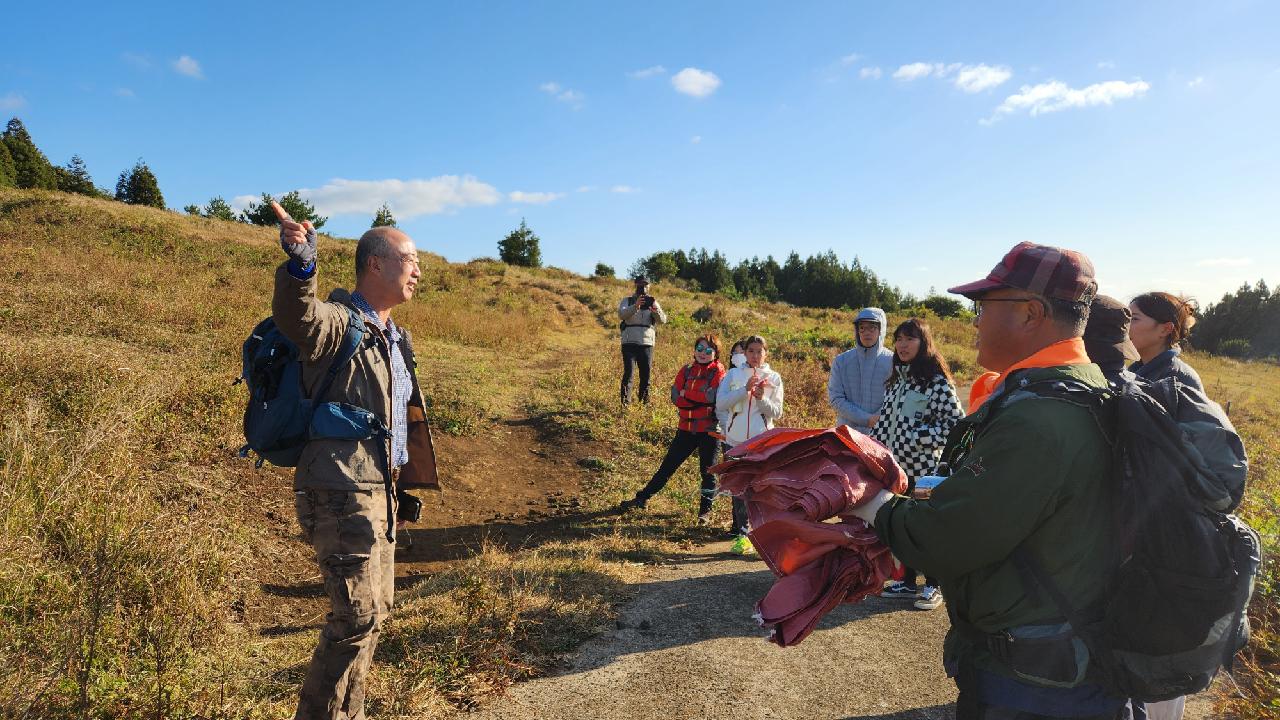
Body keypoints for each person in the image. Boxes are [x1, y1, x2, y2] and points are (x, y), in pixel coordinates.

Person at [851, 241, 1124, 719]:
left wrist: (868, 503)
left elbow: (947, 539)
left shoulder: (1039, 417)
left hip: (1034, 681)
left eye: (983, 306)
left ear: (1031, 313)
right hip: (1061, 655)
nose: (975, 320)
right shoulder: (1080, 387)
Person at [272, 201, 439, 720]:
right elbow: (297, 316)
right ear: (375, 264)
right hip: (341, 489)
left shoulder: (394, 338)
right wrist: (302, 265)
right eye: (410, 259)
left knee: (375, 615)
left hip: (379, 491)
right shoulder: (338, 322)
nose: (418, 270)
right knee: (356, 615)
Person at [1084, 296, 1187, 720]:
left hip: (1152, 539)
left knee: (1152, 670)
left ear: (1166, 328)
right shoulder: (1141, 373)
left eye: (1137, 317)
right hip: (1133, 534)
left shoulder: (1173, 379)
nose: (1129, 325)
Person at [872, 319, 965, 611]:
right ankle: (908, 581)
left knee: (927, 529)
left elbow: (956, 425)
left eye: (909, 339)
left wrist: (917, 437)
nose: (902, 345)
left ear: (923, 343)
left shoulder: (936, 381)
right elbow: (885, 423)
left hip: (923, 470)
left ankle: (935, 586)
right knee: (903, 526)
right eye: (898, 339)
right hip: (894, 469)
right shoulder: (896, 380)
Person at [619, 334, 725, 520]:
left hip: (709, 429)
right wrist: (696, 399)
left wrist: (688, 395)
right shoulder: (686, 370)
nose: (703, 353)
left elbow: (712, 397)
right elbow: (676, 397)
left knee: (708, 473)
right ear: (694, 350)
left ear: (716, 354)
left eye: (708, 350)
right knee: (667, 467)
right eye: (699, 349)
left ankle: (705, 512)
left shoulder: (718, 372)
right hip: (686, 427)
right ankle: (642, 498)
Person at [716, 335, 785, 554]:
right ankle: (742, 535)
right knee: (738, 489)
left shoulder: (774, 378)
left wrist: (761, 398)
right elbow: (721, 403)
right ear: (744, 353)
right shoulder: (733, 374)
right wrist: (743, 390)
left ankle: (763, 535)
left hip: (762, 442)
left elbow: (777, 413)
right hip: (735, 441)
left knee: (761, 488)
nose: (755, 356)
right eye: (751, 351)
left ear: (766, 353)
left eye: (759, 351)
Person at [828, 307, 894, 431]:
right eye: (862, 328)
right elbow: (836, 398)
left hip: (882, 432)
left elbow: (896, 398)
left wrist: (878, 419)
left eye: (872, 327)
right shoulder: (841, 361)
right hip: (847, 433)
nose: (866, 332)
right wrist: (867, 419)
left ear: (881, 330)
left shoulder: (893, 362)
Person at [1128, 292, 1203, 391]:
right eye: (1126, 317)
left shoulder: (1180, 380)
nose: (1125, 324)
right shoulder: (1132, 371)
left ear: (1165, 329)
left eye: (1134, 318)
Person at [618, 275, 668, 405]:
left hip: (647, 344)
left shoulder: (653, 301)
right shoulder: (627, 301)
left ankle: (644, 404)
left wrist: (655, 311)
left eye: (646, 285)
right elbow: (621, 314)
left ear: (649, 286)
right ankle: (625, 404)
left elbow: (663, 320)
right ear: (636, 286)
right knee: (628, 374)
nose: (644, 288)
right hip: (629, 343)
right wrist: (635, 306)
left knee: (645, 376)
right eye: (641, 285)